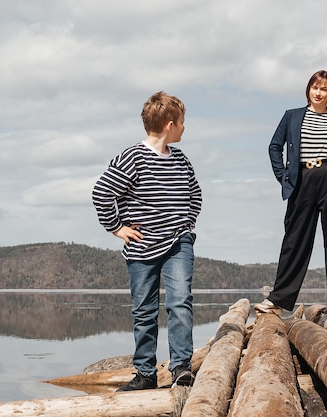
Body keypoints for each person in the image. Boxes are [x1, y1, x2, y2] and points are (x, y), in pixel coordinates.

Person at [92, 91, 202, 391]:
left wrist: (187, 226)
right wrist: (116, 227)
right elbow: (102, 193)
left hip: (178, 243)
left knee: (180, 303)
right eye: (182, 122)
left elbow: (195, 195)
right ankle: (145, 374)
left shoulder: (180, 159)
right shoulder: (132, 158)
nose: (184, 127)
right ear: (169, 124)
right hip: (141, 247)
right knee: (144, 310)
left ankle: (181, 368)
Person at [255, 70, 327, 317]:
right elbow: (274, 147)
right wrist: (283, 176)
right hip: (301, 179)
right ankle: (278, 300)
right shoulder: (291, 117)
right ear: (308, 89)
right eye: (315, 87)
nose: (318, 92)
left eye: (324, 89)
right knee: (294, 239)